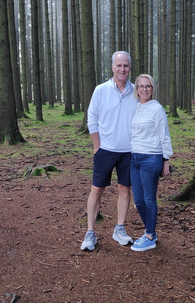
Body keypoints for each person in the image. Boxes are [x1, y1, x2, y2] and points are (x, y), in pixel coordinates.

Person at [80, 51, 137, 251]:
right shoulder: (101, 90)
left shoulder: (136, 91)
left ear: (130, 68)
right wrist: (97, 146)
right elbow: (92, 118)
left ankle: (119, 229)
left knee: (124, 189)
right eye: (119, 65)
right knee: (97, 189)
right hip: (105, 150)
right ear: (112, 67)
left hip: (128, 151)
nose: (122, 69)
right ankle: (90, 232)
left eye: (126, 66)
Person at [129, 74, 173, 252]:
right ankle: (151, 231)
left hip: (151, 158)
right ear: (137, 90)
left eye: (147, 86)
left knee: (149, 199)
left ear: (152, 89)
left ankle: (149, 236)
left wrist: (166, 161)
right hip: (134, 159)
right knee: (138, 200)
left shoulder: (157, 109)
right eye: (141, 86)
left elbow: (164, 135)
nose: (144, 89)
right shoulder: (137, 107)